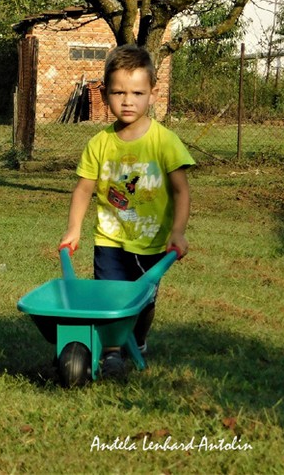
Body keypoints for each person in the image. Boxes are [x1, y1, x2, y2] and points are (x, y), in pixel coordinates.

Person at [59, 44, 195, 376]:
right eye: (119, 92)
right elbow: (84, 189)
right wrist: (74, 228)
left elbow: (181, 191)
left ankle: (139, 339)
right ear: (105, 93)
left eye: (137, 93)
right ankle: (112, 353)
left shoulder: (165, 142)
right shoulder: (99, 144)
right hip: (110, 238)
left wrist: (178, 232)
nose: (128, 101)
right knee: (109, 299)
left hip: (152, 242)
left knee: (143, 304)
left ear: (153, 94)